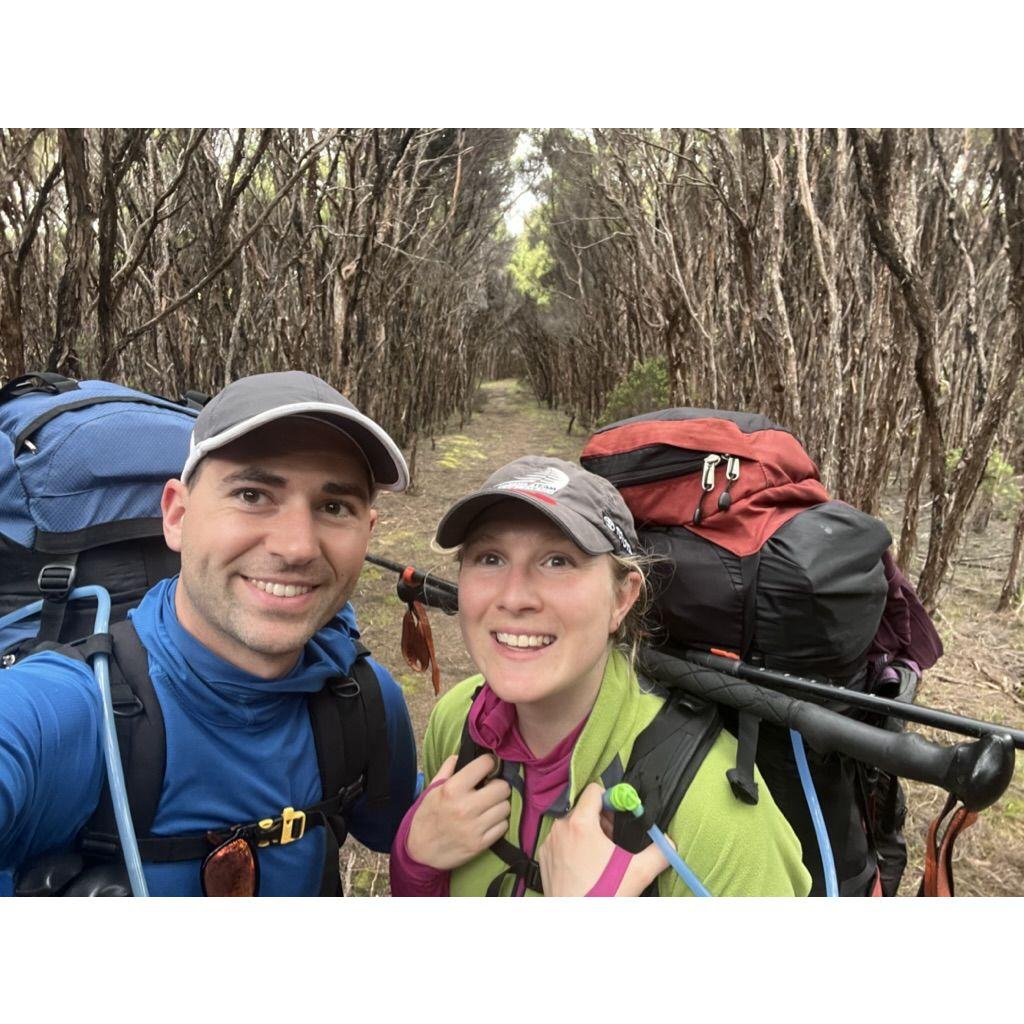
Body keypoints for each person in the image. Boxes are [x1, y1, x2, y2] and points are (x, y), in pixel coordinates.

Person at [0, 370, 417, 896]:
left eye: (334, 508)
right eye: (252, 494)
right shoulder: (69, 714)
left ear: (368, 532)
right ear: (176, 515)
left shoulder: (365, 702)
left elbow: (404, 833)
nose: (297, 547)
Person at [389, 456, 811, 897]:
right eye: (490, 558)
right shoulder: (456, 720)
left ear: (622, 598)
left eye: (557, 561)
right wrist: (414, 864)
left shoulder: (716, 815)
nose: (514, 597)